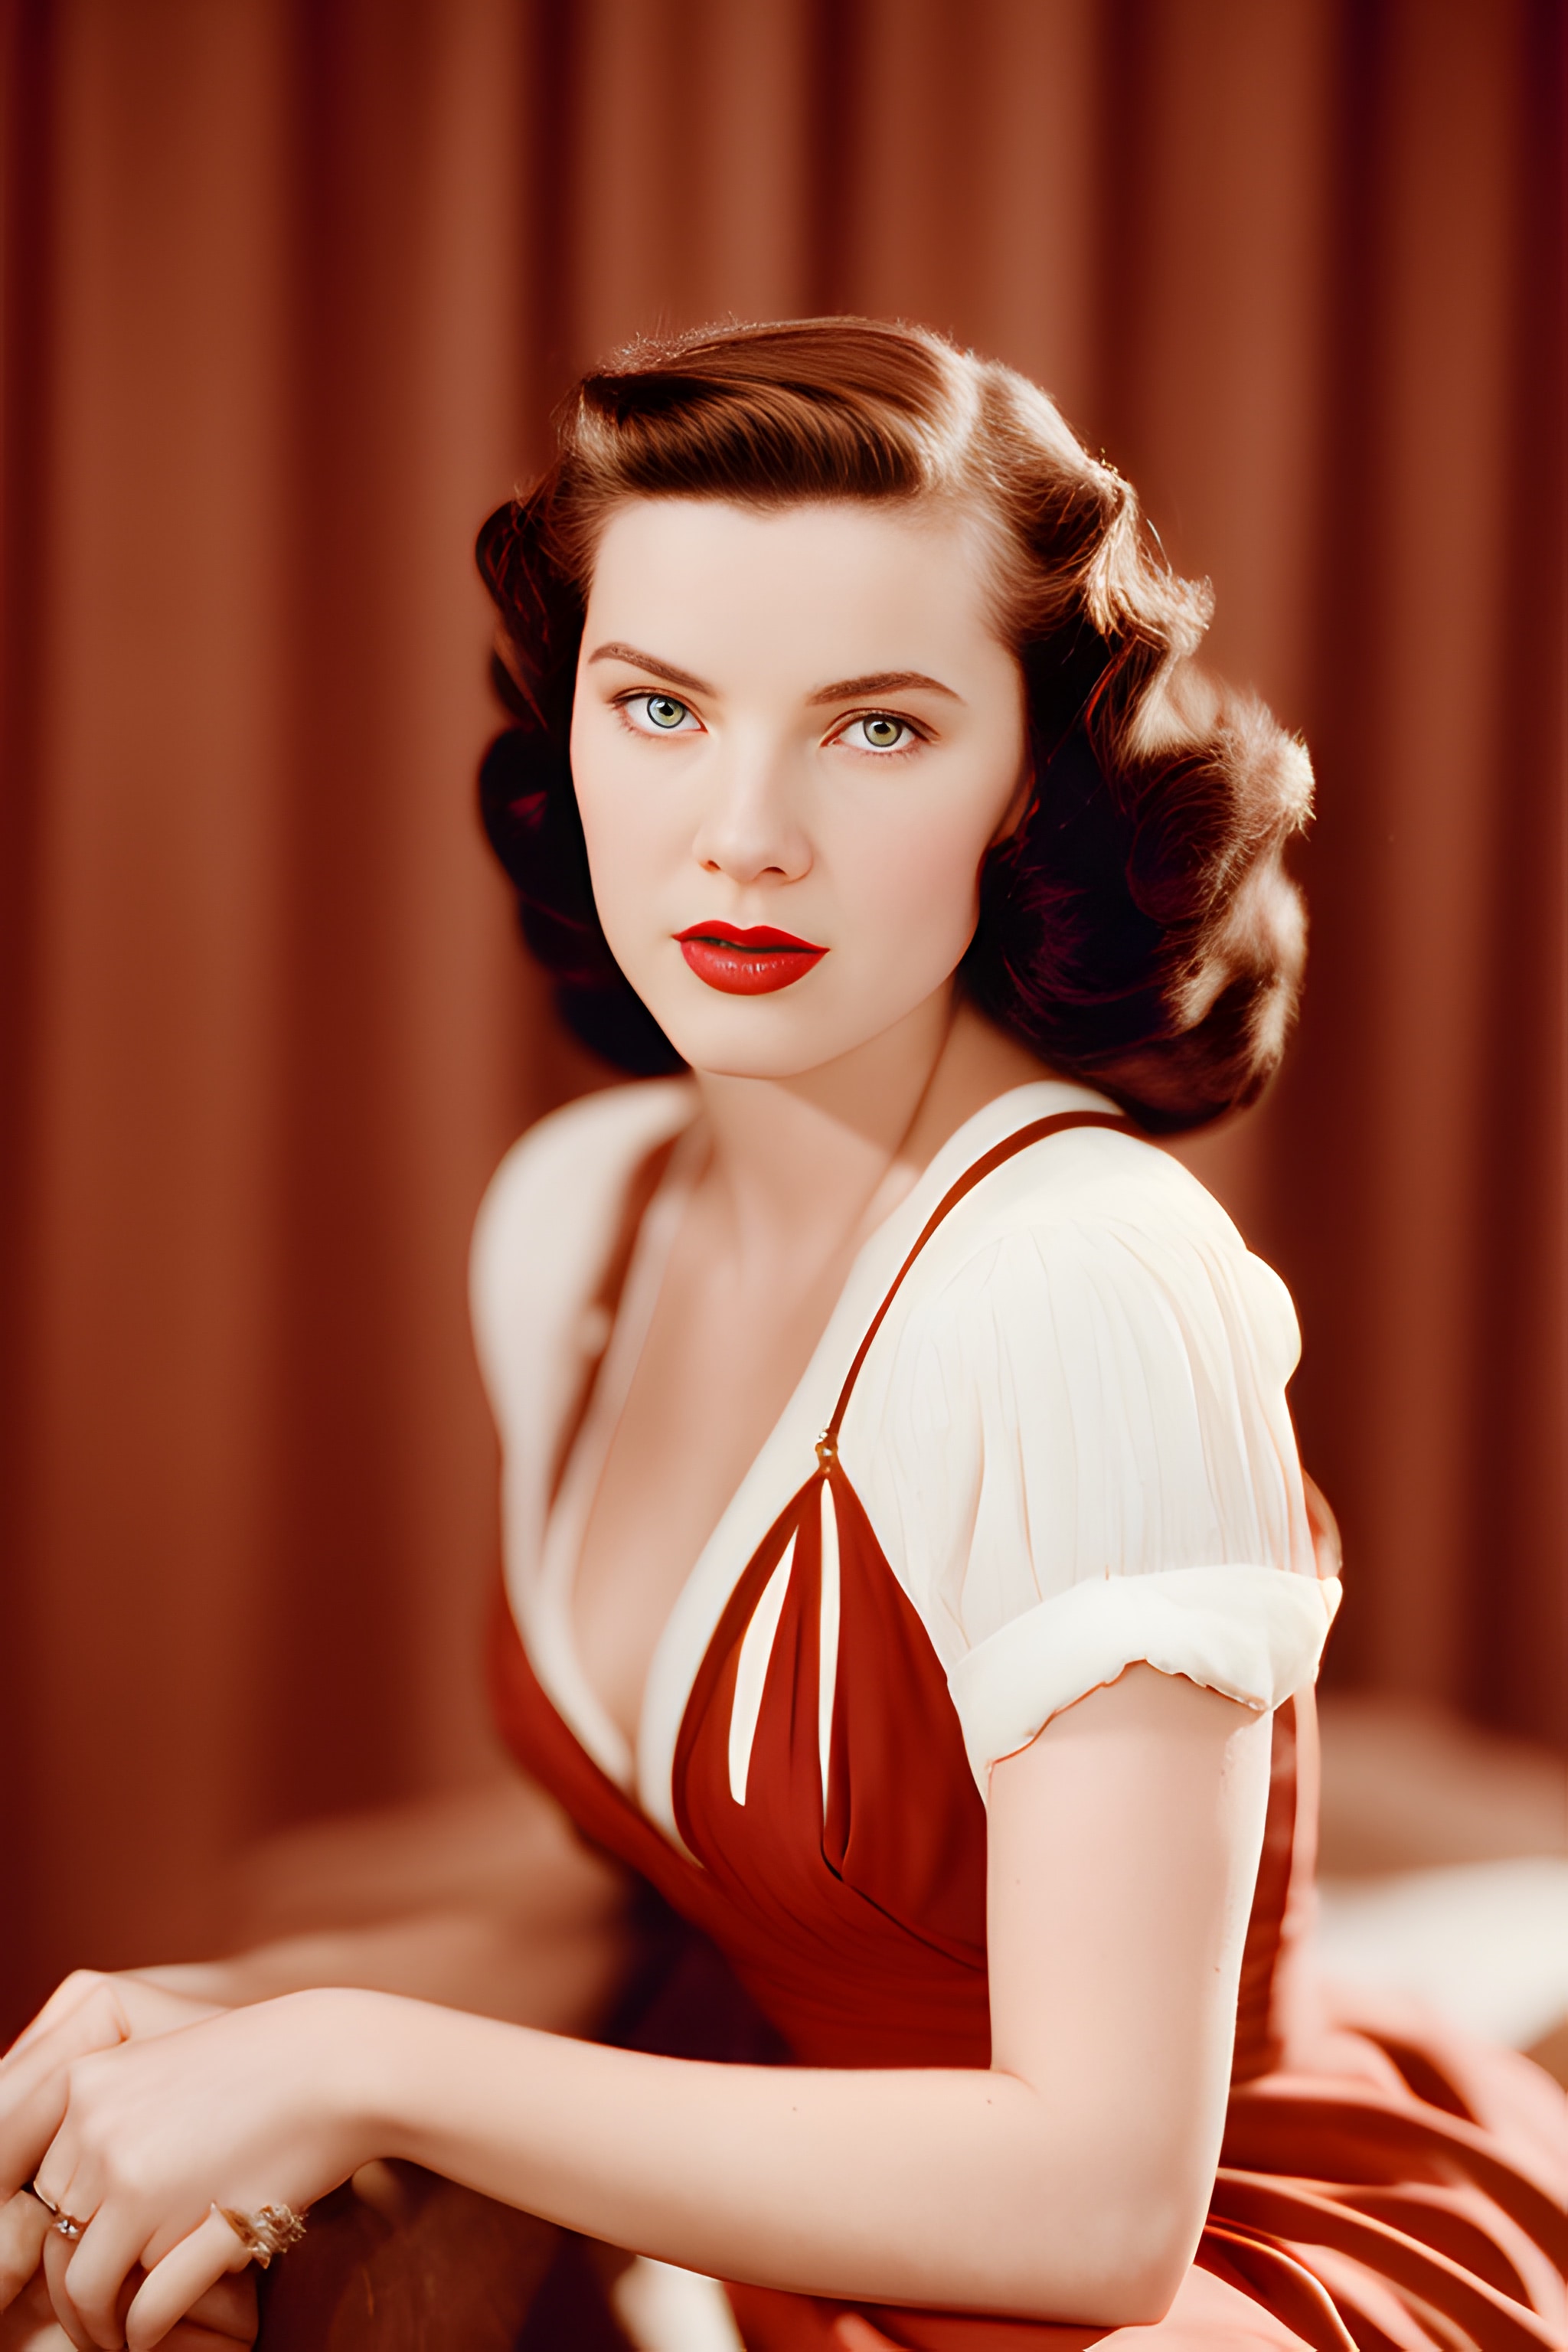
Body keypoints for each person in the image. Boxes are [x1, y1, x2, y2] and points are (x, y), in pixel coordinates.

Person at [2, 319, 1562, 2352]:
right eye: (658, 706)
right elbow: (663, 1908)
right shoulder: (579, 1217)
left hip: (1182, 2278)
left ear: (1032, 782)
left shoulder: (1081, 1283)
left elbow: (1101, 2208)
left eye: (877, 729)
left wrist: (360, 2060)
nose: (745, 831)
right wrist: (229, 2024)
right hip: (797, 2224)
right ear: (567, 725)